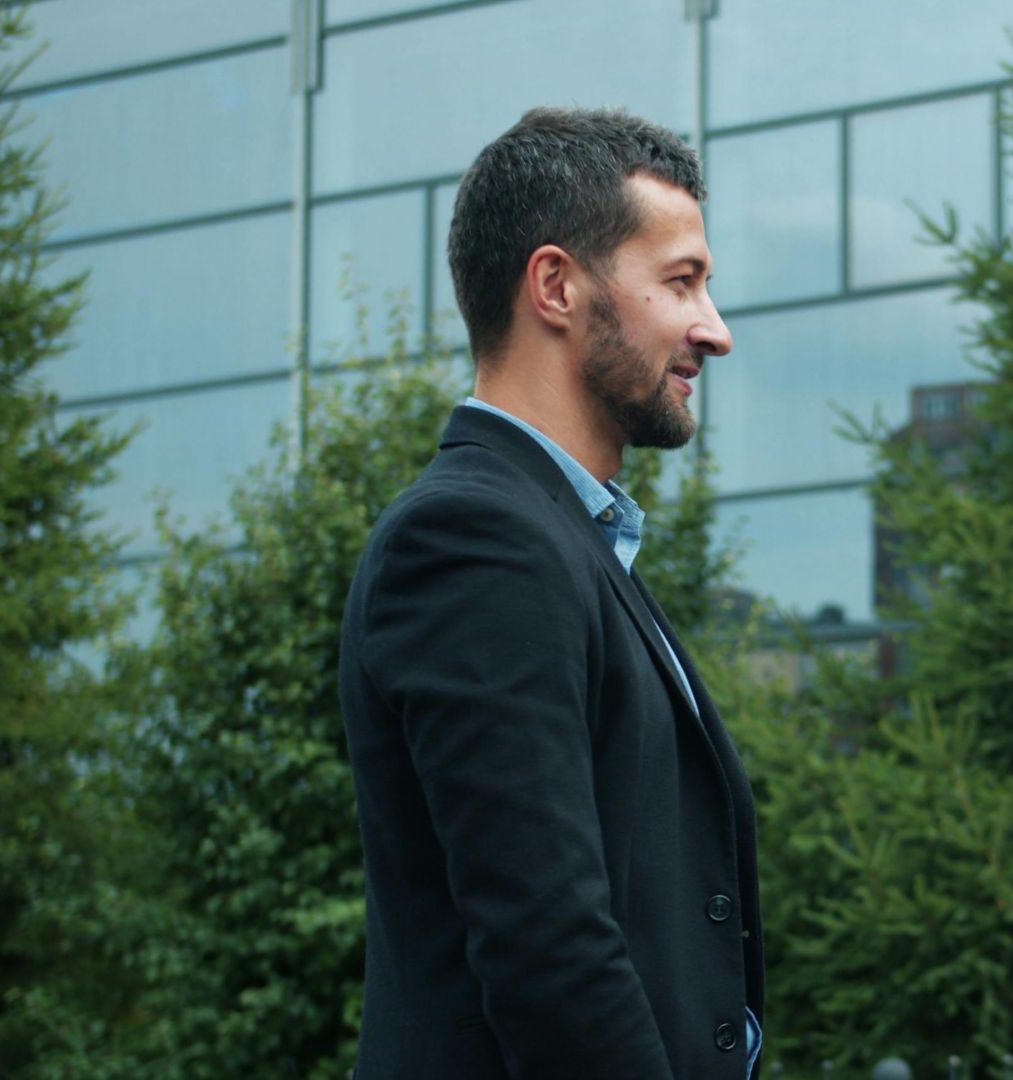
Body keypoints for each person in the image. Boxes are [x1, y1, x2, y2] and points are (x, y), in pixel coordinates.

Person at [339, 106, 761, 1079]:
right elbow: (550, 951)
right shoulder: (474, 540)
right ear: (557, 286)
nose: (716, 330)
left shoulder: (567, 538)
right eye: (682, 281)